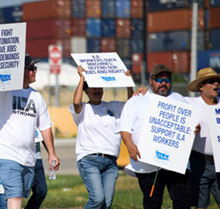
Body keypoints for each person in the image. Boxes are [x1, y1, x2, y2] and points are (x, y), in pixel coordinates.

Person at [0, 54, 60, 209]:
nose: (35, 71)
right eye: (32, 68)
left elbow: (45, 126)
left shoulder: (37, 97)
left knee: (17, 199)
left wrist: (51, 153)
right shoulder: (5, 91)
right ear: (20, 71)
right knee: (15, 197)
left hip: (28, 158)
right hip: (7, 155)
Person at [118, 64, 195, 209]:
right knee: (152, 202)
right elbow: (124, 128)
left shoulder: (180, 99)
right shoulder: (137, 100)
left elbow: (191, 125)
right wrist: (130, 146)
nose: (164, 83)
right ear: (151, 80)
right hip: (147, 165)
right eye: (159, 80)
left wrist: (194, 128)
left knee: (183, 201)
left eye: (167, 80)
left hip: (176, 164)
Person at [68, 65, 134, 209]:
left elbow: (131, 105)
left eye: (99, 87)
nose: (96, 90)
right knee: (97, 199)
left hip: (110, 163)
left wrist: (128, 82)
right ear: (86, 90)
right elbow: (76, 103)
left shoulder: (113, 106)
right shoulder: (83, 109)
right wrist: (82, 78)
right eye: (92, 87)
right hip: (89, 160)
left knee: (107, 203)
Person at [186, 67, 220, 209]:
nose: (216, 85)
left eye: (217, 81)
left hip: (219, 163)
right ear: (201, 87)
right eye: (211, 82)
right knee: (201, 204)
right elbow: (165, 98)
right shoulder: (190, 103)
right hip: (199, 162)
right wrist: (143, 91)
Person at [25, 141, 48, 209]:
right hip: (16, 158)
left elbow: (45, 131)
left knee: (41, 191)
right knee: (16, 193)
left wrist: (51, 153)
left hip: (36, 158)